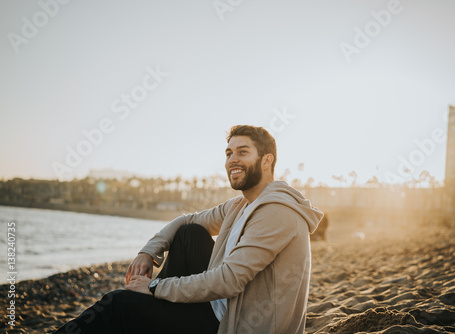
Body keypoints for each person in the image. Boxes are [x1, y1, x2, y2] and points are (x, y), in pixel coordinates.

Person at [54, 125, 323, 334]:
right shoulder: (242, 205)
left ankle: (146, 309)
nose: (232, 160)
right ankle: (152, 312)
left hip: (235, 325)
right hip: (220, 309)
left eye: (243, 152)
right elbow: (186, 220)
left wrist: (155, 287)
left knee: (117, 305)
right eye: (228, 153)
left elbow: (228, 280)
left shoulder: (277, 212)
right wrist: (148, 251)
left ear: (267, 161)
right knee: (189, 235)